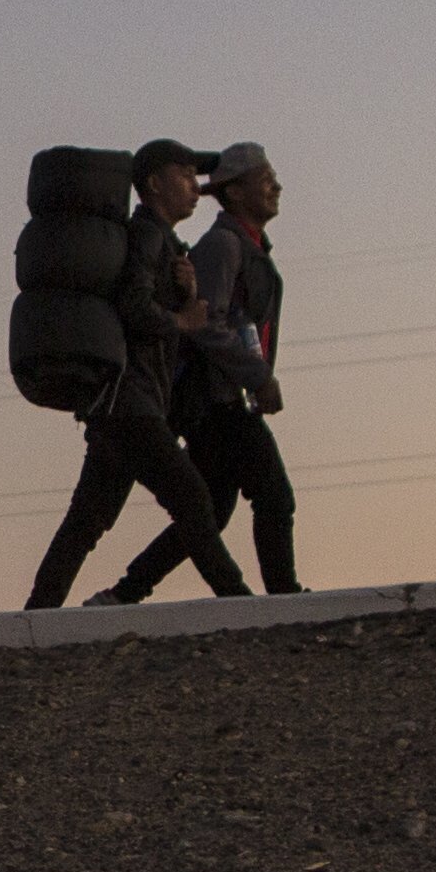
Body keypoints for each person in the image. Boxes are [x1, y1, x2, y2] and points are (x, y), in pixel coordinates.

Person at [27, 141, 248, 610]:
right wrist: (183, 320)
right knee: (193, 501)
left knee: (86, 522)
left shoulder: (162, 242)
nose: (195, 186)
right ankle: (240, 603)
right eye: (184, 174)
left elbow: (156, 319)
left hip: (122, 403)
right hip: (130, 402)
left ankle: (37, 616)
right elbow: (133, 306)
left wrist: (185, 302)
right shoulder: (147, 235)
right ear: (153, 184)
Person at [182, 141, 304, 595]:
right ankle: (283, 596)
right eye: (265, 177)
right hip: (218, 401)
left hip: (229, 399)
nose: (276, 186)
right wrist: (258, 377)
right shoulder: (222, 246)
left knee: (208, 513)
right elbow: (204, 324)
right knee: (274, 497)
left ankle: (124, 593)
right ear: (234, 193)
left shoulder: (248, 248)